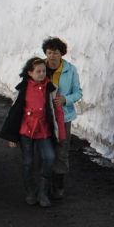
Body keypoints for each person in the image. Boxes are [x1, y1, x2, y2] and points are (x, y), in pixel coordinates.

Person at [0, 57, 67, 208]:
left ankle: (43, 192)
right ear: (30, 73)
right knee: (28, 162)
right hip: (26, 131)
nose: (41, 74)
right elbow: (15, 112)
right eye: (38, 71)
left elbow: (58, 112)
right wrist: (12, 137)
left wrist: (61, 133)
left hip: (44, 130)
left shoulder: (51, 89)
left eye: (43, 71)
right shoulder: (23, 88)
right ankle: (30, 192)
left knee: (49, 157)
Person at [42, 37, 82, 200]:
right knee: (44, 150)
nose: (52, 56)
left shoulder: (70, 70)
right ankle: (44, 184)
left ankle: (58, 184)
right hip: (43, 117)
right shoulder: (38, 68)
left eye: (55, 53)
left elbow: (78, 92)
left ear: (61, 54)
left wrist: (66, 99)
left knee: (61, 151)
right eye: (49, 52)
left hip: (63, 117)